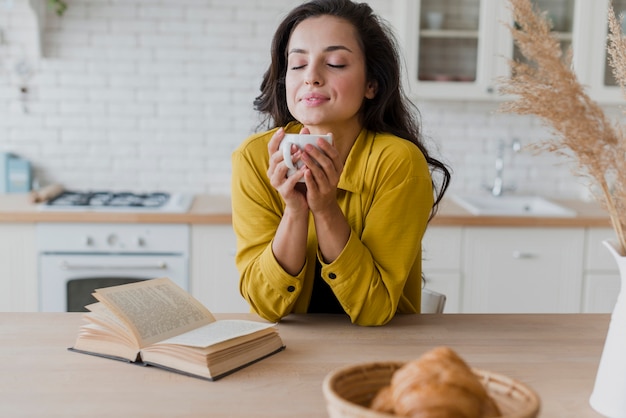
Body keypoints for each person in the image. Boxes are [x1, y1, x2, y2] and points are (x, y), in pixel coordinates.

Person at [231, 0, 450, 326]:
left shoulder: (398, 163)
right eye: (297, 64)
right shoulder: (254, 158)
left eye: (334, 63)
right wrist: (294, 211)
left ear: (371, 84)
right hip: (287, 353)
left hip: (380, 354)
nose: (312, 77)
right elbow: (265, 305)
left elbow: (375, 310)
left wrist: (325, 208)